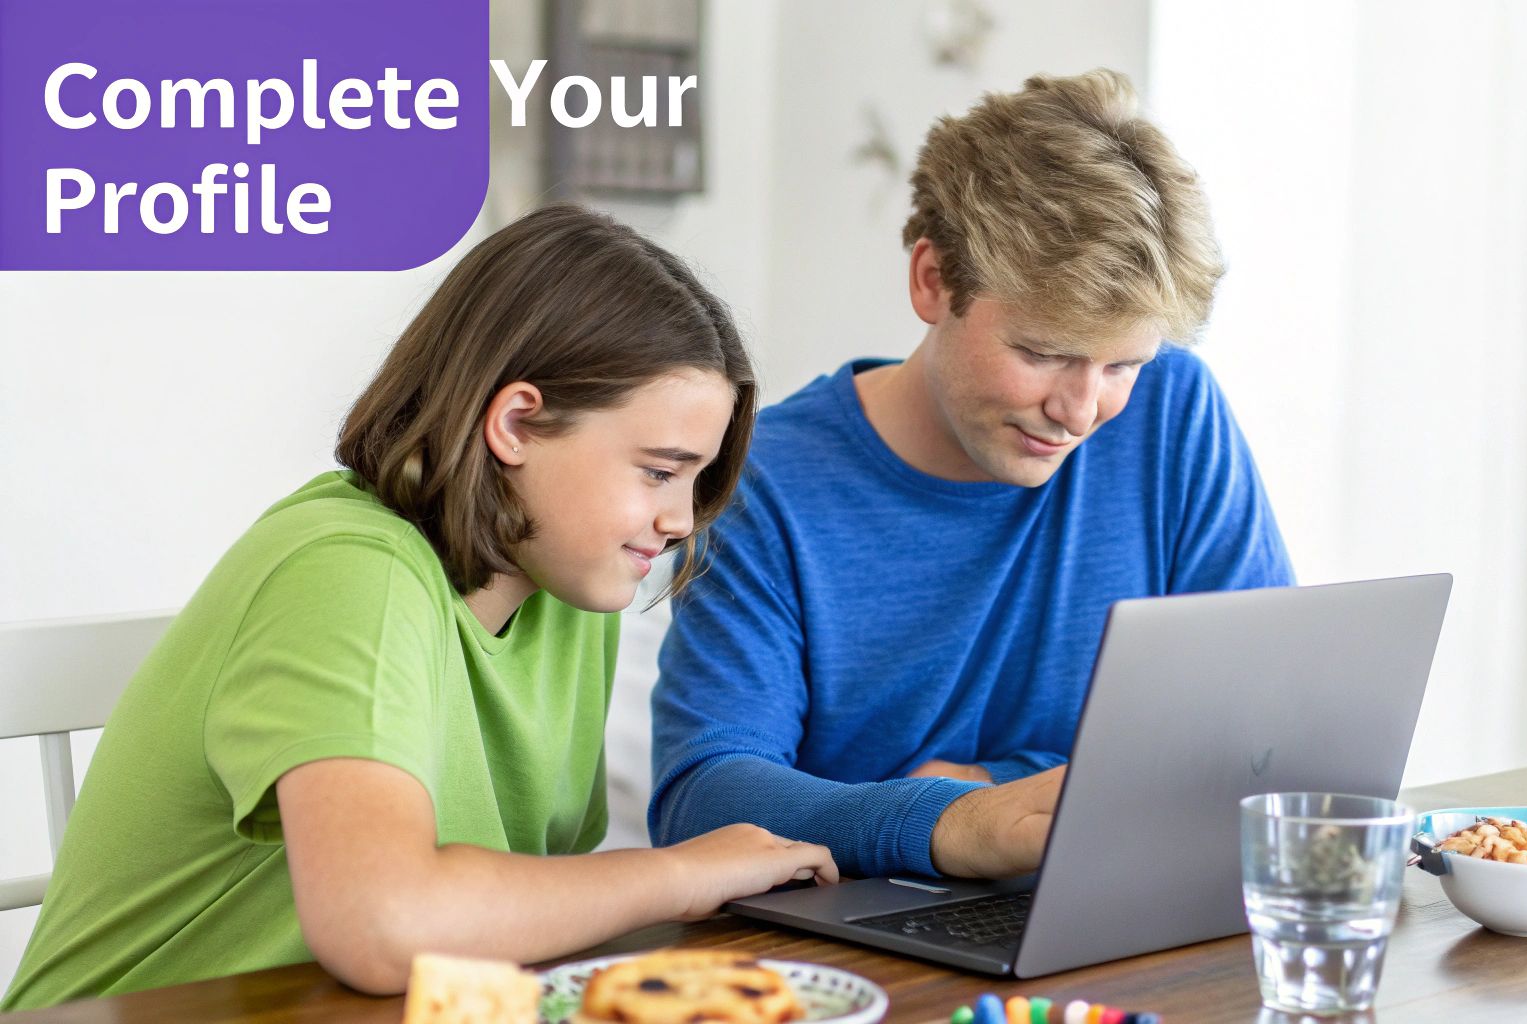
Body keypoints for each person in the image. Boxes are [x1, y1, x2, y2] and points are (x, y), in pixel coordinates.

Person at [1, 205, 836, 1011]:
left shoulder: (569, 594)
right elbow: (383, 925)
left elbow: (510, 919)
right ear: (515, 423)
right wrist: (685, 872)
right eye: (658, 471)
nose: (681, 519)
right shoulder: (349, 573)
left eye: (695, 480)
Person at [649, 69, 1295, 882]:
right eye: (1043, 352)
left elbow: (1260, 733)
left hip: (1118, 905)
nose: (1081, 410)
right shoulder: (765, 480)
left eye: (1124, 363)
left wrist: (997, 787)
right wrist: (943, 824)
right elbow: (701, 799)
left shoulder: (1174, 411)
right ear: (932, 280)